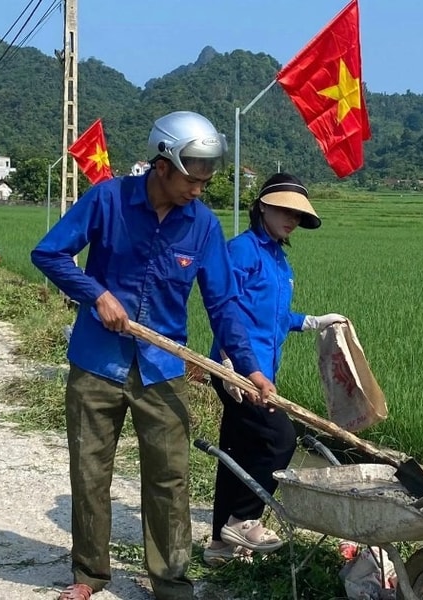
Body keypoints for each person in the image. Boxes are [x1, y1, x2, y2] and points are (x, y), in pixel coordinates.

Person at [31, 110, 276, 600]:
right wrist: (95, 294)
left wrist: (250, 368)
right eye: (192, 179)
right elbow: (49, 253)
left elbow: (223, 303)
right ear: (162, 165)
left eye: (206, 181)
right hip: (97, 361)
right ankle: (89, 577)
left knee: (170, 478)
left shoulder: (202, 225)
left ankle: (170, 582)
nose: (199, 189)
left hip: (164, 367)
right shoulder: (107, 200)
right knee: (90, 470)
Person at [203, 173, 346, 566]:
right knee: (280, 439)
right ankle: (244, 519)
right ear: (262, 206)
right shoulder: (242, 250)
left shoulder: (279, 261)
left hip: (263, 370)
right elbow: (224, 307)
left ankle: (219, 545)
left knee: (238, 449)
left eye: (298, 216)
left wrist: (314, 321)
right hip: (237, 370)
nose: (291, 219)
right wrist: (231, 360)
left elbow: (275, 316)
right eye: (284, 210)